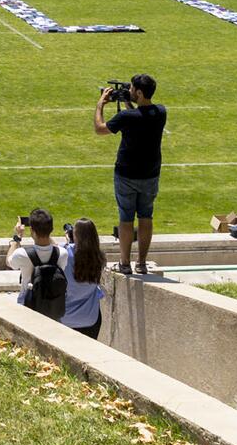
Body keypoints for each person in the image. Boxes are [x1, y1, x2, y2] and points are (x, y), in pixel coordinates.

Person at [93, 74, 166, 277]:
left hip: (126, 174)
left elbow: (100, 129)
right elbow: (140, 117)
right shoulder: (160, 112)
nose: (130, 91)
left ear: (140, 92)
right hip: (150, 175)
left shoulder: (127, 118)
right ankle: (141, 263)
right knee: (146, 216)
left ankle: (125, 263)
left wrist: (100, 105)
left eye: (132, 89)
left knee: (126, 218)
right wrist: (127, 101)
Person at [7, 208, 65, 320]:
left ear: (32, 230)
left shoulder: (22, 254)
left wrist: (17, 237)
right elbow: (55, 246)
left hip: (28, 307)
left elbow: (9, 261)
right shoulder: (63, 254)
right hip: (54, 306)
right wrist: (46, 231)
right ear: (51, 229)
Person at [60, 219, 108, 338]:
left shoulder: (65, 252)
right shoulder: (100, 258)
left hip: (65, 318)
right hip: (90, 319)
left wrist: (69, 242)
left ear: (75, 235)